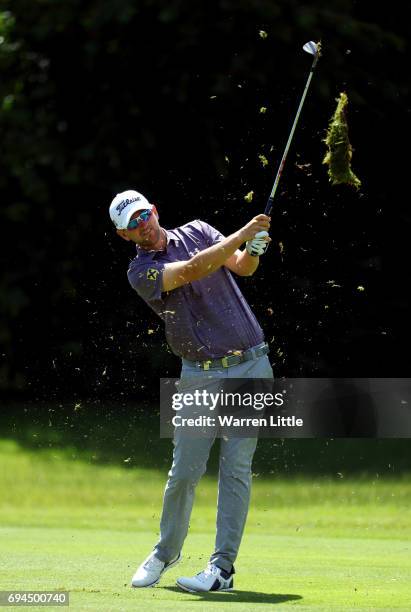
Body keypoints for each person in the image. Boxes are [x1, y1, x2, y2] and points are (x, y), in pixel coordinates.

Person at [109, 189, 273, 593]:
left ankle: (222, 569)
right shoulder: (140, 272)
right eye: (131, 224)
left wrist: (251, 248)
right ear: (123, 236)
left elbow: (240, 267)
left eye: (143, 215)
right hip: (198, 373)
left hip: (251, 362)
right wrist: (242, 232)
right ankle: (166, 552)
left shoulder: (199, 229)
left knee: (235, 469)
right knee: (184, 472)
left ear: (155, 210)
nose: (141, 225)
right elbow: (191, 270)